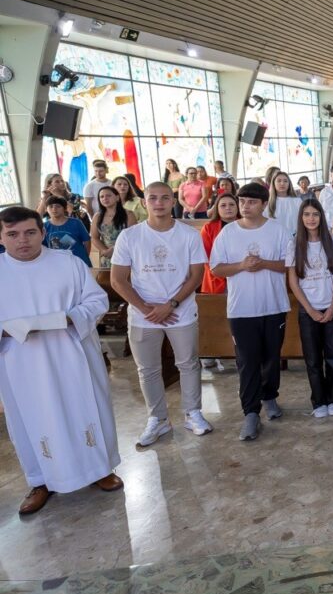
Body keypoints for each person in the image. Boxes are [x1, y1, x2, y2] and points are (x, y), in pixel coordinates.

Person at [0, 207, 123, 516]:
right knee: (32, 419)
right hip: (21, 363)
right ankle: (41, 480)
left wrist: (70, 317)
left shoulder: (67, 263)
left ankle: (100, 469)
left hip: (72, 354)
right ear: (1, 237)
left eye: (30, 232)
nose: (22, 241)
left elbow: (96, 301)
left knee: (84, 408)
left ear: (42, 233)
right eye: (12, 234)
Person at [111, 182, 212, 446]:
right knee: (148, 369)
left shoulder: (188, 235)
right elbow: (118, 280)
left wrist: (172, 304)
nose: (159, 203)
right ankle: (158, 419)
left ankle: (193, 413)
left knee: (188, 363)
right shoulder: (130, 236)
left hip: (181, 311)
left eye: (165, 198)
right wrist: (146, 309)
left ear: (173, 201)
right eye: (153, 198)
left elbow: (196, 274)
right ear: (144, 202)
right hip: (143, 314)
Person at [210, 182, 291, 440]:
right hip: (241, 309)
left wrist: (264, 263)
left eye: (252, 202)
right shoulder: (228, 233)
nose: (245, 206)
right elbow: (216, 268)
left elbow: (288, 265)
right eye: (242, 201)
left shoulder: (277, 230)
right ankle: (250, 412)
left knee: (271, 356)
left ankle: (270, 397)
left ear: (264, 204)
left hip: (273, 305)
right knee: (246, 360)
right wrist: (242, 265)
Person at [287, 199, 333, 418]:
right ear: (301, 218)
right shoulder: (294, 245)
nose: (311, 219)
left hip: (331, 307)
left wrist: (331, 307)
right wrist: (310, 310)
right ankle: (318, 401)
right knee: (312, 359)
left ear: (321, 216)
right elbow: (293, 282)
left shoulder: (332, 240)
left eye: (315, 214)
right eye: (307, 214)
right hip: (307, 310)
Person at [91, 185, 136, 269]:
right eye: (102, 197)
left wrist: (115, 249)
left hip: (125, 254)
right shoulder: (97, 216)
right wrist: (104, 250)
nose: (105, 198)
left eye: (108, 195)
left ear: (117, 197)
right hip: (107, 256)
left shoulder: (128, 214)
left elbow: (133, 237)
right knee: (107, 281)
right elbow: (94, 237)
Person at [42, 196, 92, 267]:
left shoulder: (76, 223)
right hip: (57, 264)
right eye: (51, 206)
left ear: (65, 209)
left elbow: (87, 241)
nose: (54, 209)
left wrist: (85, 256)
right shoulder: (44, 227)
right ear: (46, 209)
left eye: (58, 206)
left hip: (79, 262)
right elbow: (43, 247)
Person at [267, 171, 303, 239]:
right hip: (274, 239)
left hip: (295, 238)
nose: (282, 183)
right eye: (279, 181)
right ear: (273, 183)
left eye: (285, 181)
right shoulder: (267, 204)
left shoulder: (297, 201)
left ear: (289, 184)